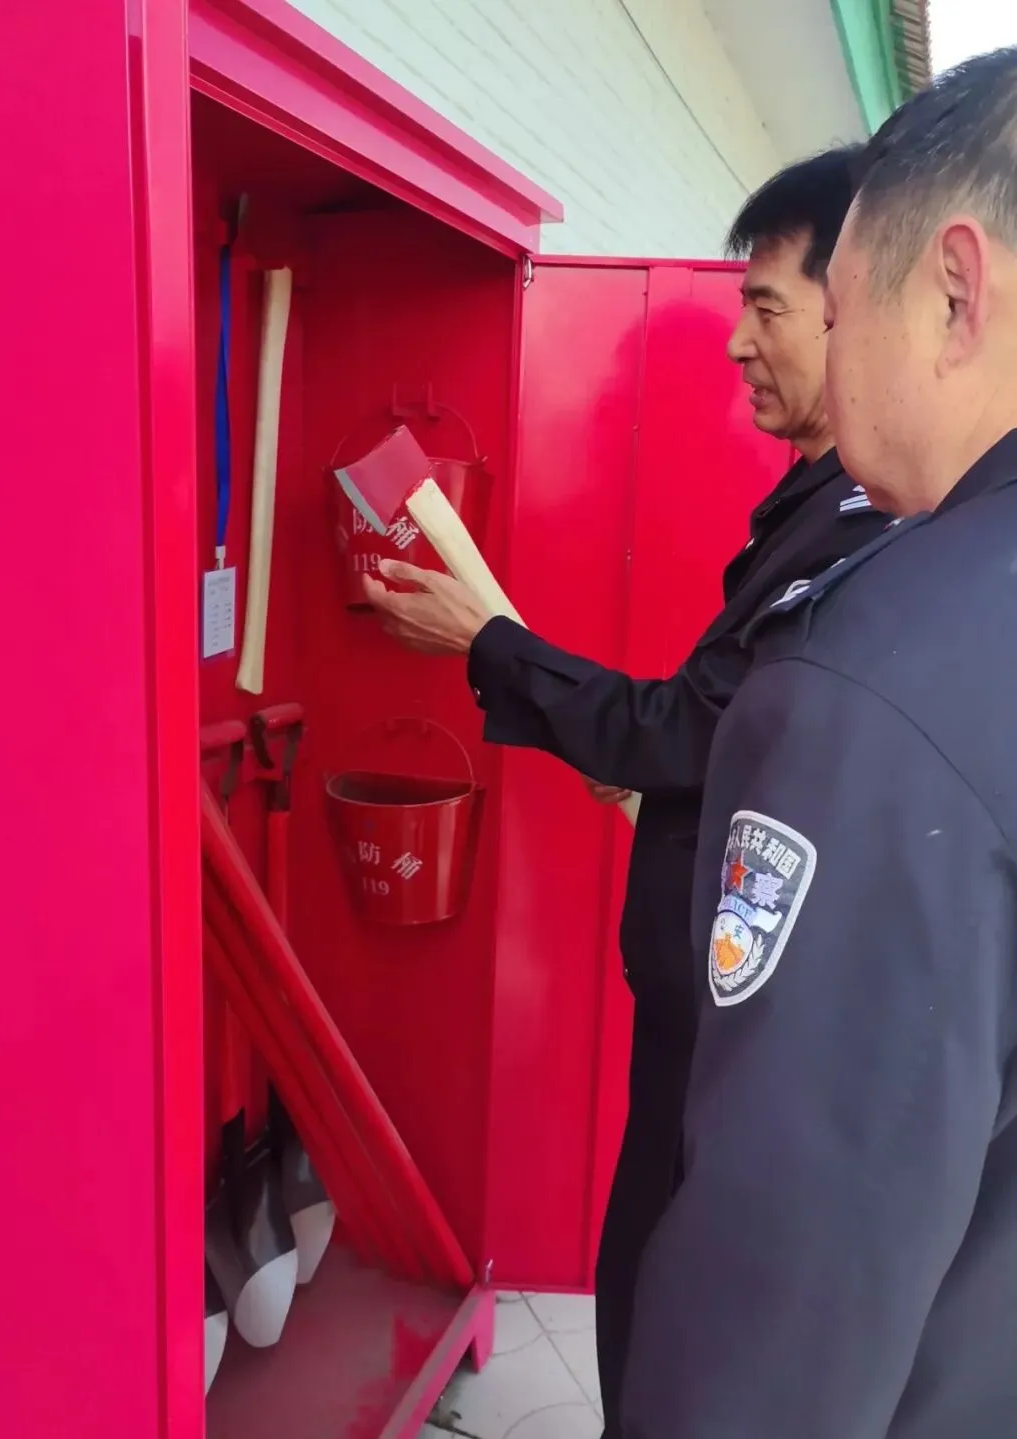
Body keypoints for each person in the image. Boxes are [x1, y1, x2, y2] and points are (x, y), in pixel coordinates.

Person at [364, 147, 889, 1435]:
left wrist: (486, 642)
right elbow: (716, 747)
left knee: (666, 1309)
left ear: (856, 305)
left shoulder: (866, 530)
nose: (737, 343)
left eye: (764, 308)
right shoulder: (811, 507)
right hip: (699, 1015)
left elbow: (686, 726)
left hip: (739, 1039)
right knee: (645, 1280)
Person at [615, 47, 1017, 1437]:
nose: (815, 362)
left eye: (833, 314)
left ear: (955, 293)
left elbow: (786, 1302)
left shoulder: (883, 685)